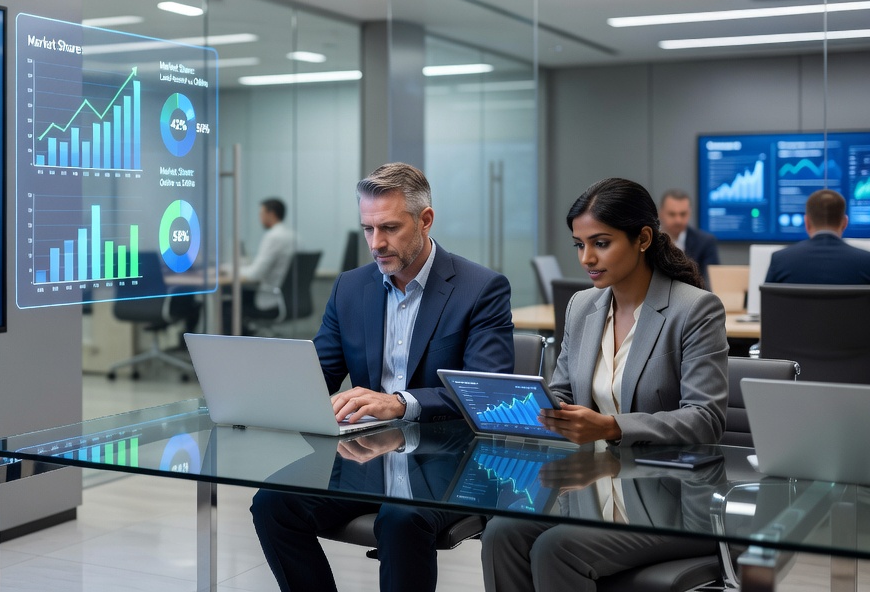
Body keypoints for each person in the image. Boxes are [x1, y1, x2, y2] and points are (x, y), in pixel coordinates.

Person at [252, 162, 515, 592]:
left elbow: (486, 392)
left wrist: (401, 403)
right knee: (272, 504)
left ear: (425, 220)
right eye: (368, 229)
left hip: (450, 463)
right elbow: (321, 371)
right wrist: (269, 394)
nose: (377, 243)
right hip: (366, 460)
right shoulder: (350, 288)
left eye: (390, 228)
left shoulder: (481, 288)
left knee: (400, 516)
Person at [482, 177, 729, 592]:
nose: (586, 258)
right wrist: (526, 408)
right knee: (501, 532)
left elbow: (705, 420)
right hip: (593, 488)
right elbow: (561, 391)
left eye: (601, 242)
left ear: (643, 238)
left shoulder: (694, 309)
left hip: (673, 501)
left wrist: (611, 427)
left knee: (555, 548)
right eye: (579, 245)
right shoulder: (582, 306)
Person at [766, 189, 870, 284]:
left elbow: (767, 303)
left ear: (807, 223)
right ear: (844, 223)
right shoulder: (866, 262)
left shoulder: (780, 260)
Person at [223, 198, 297, 329]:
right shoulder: (294, 236)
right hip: (291, 300)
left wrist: (227, 269)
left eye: (261, 213)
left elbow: (255, 274)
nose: (260, 218)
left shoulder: (273, 237)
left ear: (271, 214)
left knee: (226, 305)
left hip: (271, 299)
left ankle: (237, 346)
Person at [659, 189, 719, 289]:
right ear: (661, 213)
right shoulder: (649, 241)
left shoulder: (705, 242)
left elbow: (710, 284)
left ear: (689, 213)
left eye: (683, 214)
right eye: (672, 214)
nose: (678, 220)